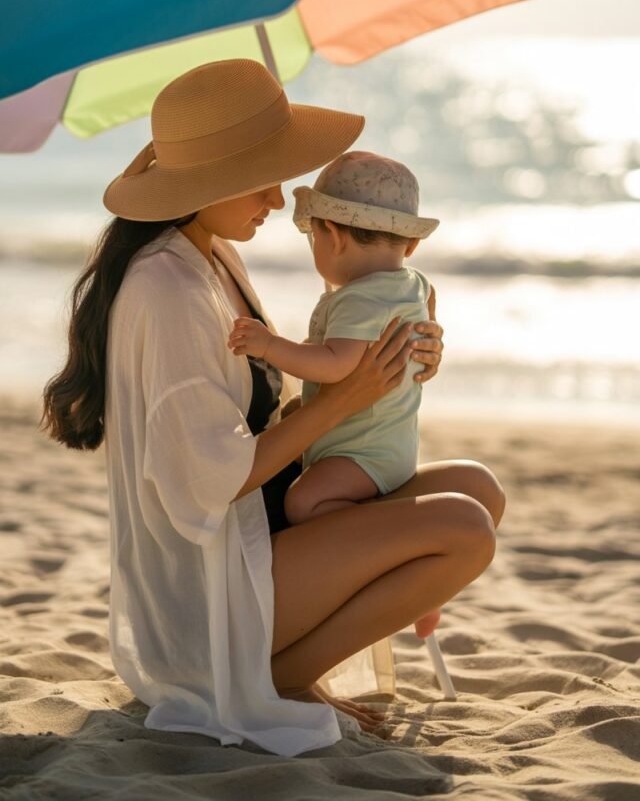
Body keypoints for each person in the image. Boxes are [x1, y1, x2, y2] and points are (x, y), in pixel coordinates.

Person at [41, 58, 505, 758]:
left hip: (256, 530)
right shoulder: (167, 291)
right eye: (266, 178)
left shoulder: (213, 254)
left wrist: (394, 366)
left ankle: (287, 667)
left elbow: (272, 404)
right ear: (210, 183)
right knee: (465, 530)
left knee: (477, 488)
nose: (283, 198)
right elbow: (216, 481)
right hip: (211, 592)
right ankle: (283, 676)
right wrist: (348, 395)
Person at [227, 150, 440, 527]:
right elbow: (416, 331)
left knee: (304, 502)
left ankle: (376, 529)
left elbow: (335, 365)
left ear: (334, 237)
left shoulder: (359, 298)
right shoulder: (414, 285)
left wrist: (269, 346)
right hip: (392, 450)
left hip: (359, 457)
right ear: (411, 245)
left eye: (314, 236)